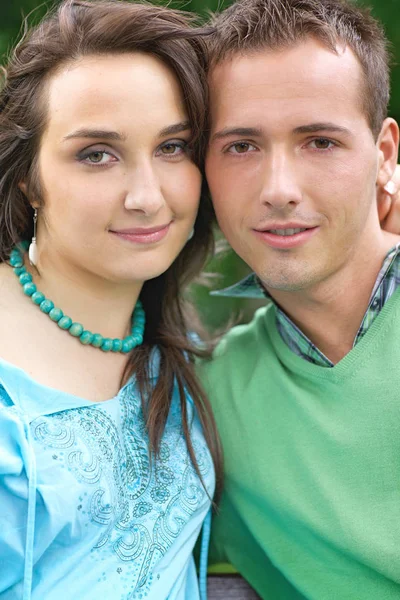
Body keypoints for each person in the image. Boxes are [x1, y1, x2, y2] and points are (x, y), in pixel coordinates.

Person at [0, 1, 223, 599]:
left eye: (173, 147)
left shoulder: (179, 348)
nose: (147, 197)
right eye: (97, 154)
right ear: (28, 176)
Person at [199, 0, 400, 597]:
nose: (279, 190)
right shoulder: (207, 401)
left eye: (319, 142)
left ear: (384, 155)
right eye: (240, 146)